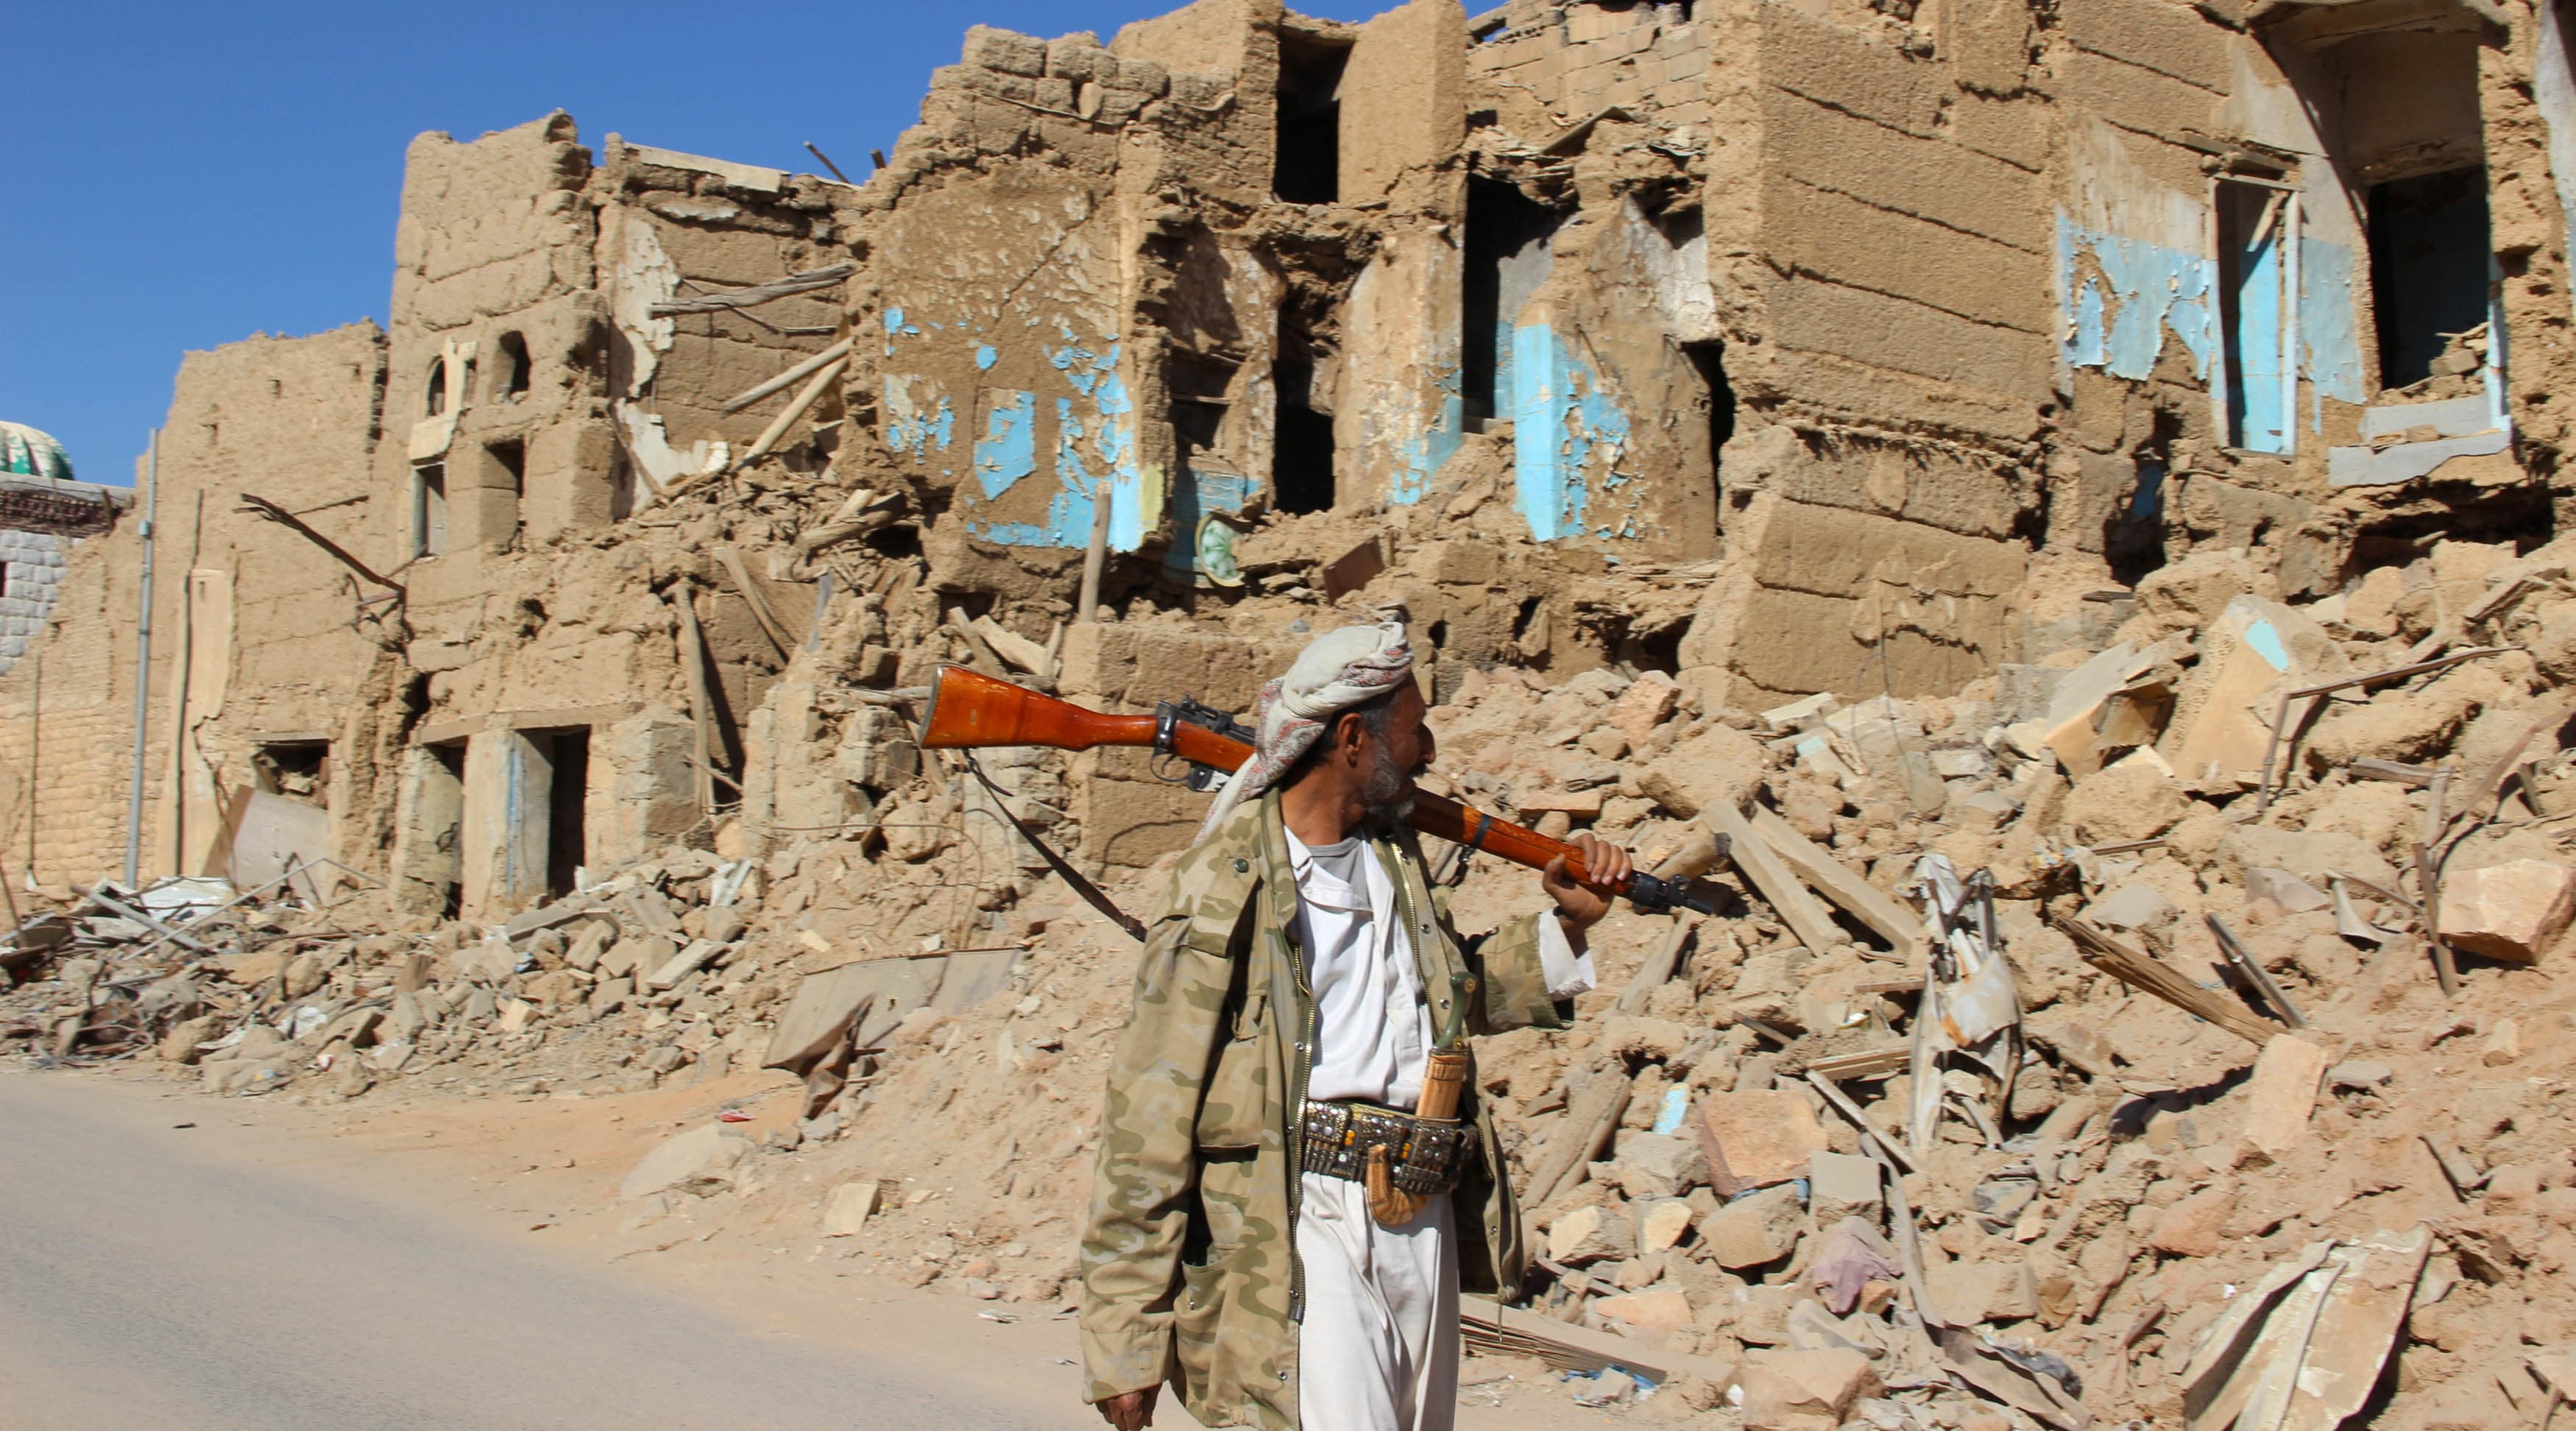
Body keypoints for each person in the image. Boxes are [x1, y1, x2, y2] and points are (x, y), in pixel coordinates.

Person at [1078, 623, 1633, 1431]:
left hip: (1422, 1220)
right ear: (1350, 739)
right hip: (1306, 1224)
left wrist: (1567, 929)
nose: (1427, 748)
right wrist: (1125, 1337)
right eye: (1412, 729)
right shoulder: (1223, 888)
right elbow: (1148, 1115)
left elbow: (1443, 998)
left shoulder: (1393, 862)